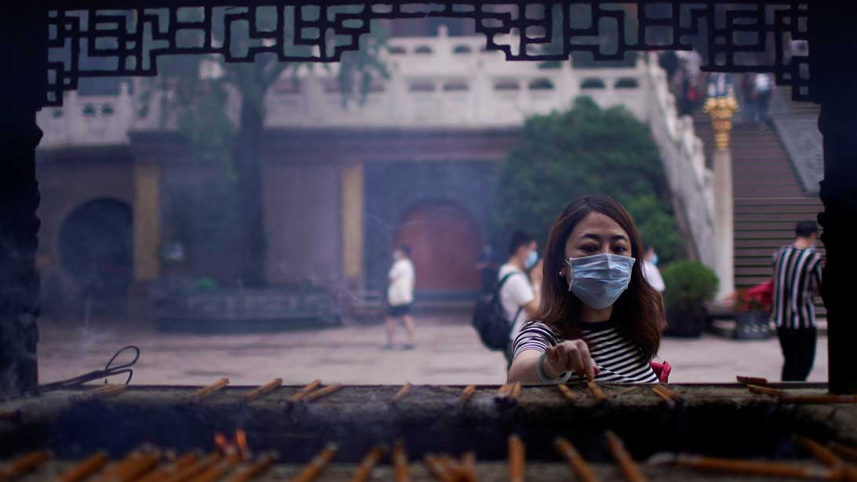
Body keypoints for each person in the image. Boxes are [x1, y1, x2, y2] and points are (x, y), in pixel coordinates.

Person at [508, 195, 664, 384]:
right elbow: (519, 373)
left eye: (619, 248)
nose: (607, 259)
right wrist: (549, 365)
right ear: (561, 263)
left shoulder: (634, 329)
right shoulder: (543, 334)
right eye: (589, 247)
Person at [772, 221, 823, 381]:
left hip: (781, 319)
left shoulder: (780, 253)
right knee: (803, 365)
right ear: (813, 235)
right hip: (803, 321)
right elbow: (819, 286)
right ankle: (794, 401)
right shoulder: (813, 258)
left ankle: (785, 398)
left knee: (789, 362)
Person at [498, 231, 542, 367]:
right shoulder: (515, 279)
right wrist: (537, 282)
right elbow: (536, 309)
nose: (535, 255)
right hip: (520, 340)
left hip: (516, 338)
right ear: (522, 250)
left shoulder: (508, 272)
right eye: (533, 250)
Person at [383, 246, 416, 350]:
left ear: (402, 253)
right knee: (407, 317)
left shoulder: (398, 265)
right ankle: (411, 342)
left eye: (398, 252)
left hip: (396, 297)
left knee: (390, 319)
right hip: (406, 295)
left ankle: (390, 342)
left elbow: (391, 278)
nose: (396, 253)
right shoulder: (409, 265)